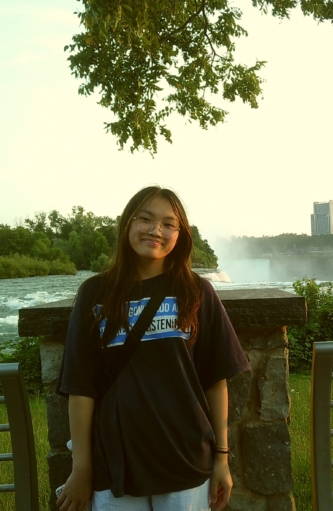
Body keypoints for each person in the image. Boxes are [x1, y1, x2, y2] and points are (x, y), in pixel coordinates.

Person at [56, 186, 249, 511]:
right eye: (145, 219)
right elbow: (80, 388)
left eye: (168, 224)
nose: (155, 230)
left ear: (180, 234)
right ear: (128, 224)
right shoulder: (94, 294)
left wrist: (222, 459)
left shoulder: (196, 292)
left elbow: (216, 379)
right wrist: (82, 467)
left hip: (185, 460)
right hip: (117, 465)